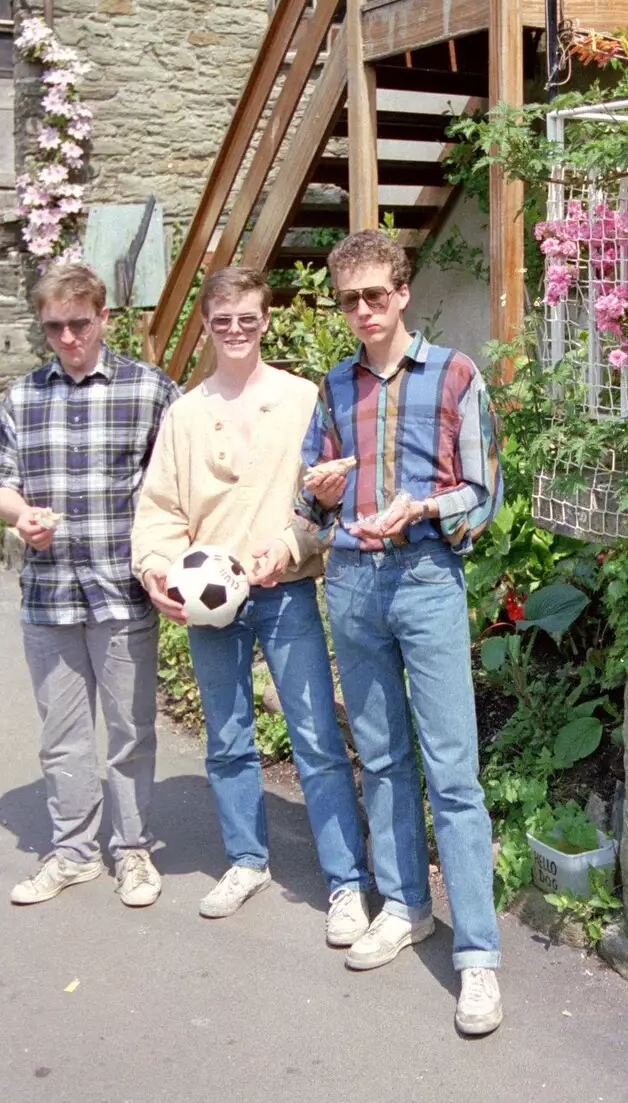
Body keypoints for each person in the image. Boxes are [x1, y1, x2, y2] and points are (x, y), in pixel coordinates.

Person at [292, 229, 504, 1038]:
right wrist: (315, 490)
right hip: (350, 582)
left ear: (403, 292)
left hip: (423, 580)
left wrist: (422, 507)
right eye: (349, 300)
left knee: (453, 770)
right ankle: (406, 906)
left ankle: (478, 955)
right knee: (379, 756)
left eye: (375, 295)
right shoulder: (335, 385)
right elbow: (314, 507)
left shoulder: (454, 374)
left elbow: (482, 495)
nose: (363, 312)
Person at [131, 265, 370, 940]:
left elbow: (327, 496)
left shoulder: (302, 400)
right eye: (221, 320)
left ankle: (345, 881)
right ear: (204, 326)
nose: (236, 330)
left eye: (248, 318)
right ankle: (245, 859)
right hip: (211, 605)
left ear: (266, 320)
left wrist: (287, 549)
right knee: (228, 737)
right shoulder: (185, 413)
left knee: (317, 737)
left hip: (285, 592)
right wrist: (157, 572)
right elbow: (160, 510)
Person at [0, 262, 179, 909]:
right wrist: (21, 515)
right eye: (54, 328)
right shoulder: (20, 399)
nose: (69, 338)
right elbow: (3, 481)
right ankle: (72, 852)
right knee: (62, 733)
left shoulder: (152, 390)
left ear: (104, 318)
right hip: (48, 596)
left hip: (121, 591)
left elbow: (178, 484)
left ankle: (132, 850)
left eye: (79, 323)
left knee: (130, 730)